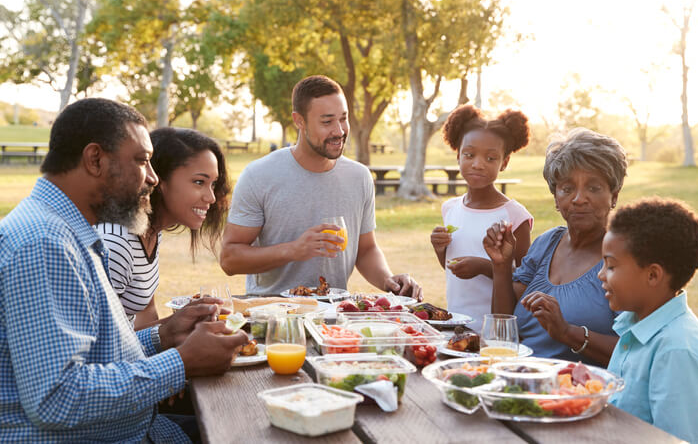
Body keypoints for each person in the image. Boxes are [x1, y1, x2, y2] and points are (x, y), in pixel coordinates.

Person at [0, 98, 248, 442]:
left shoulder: (70, 232)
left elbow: (97, 357)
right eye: (143, 161)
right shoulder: (45, 244)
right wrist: (179, 363)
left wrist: (164, 335)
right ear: (95, 160)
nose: (152, 177)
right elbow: (57, 399)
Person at [220, 75, 422, 299]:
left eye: (343, 119)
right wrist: (294, 250)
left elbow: (365, 250)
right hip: (272, 316)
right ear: (299, 121)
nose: (339, 131)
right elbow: (229, 259)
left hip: (335, 321)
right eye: (327, 122)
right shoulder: (259, 175)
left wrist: (389, 281)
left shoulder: (359, 177)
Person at [484, 127, 627, 365]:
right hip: (517, 381)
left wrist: (567, 333)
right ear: (556, 198)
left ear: (614, 195)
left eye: (593, 188)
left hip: (576, 393)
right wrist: (501, 265)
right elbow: (504, 324)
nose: (579, 199)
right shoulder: (546, 243)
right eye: (567, 189)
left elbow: (636, 353)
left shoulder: (624, 259)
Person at [600, 198, 698, 444]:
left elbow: (678, 440)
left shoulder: (678, 350)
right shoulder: (635, 325)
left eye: (611, 266)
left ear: (653, 275)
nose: (601, 275)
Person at [96, 127, 230, 330]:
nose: (211, 197)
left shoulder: (151, 233)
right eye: (199, 182)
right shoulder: (116, 244)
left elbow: (145, 317)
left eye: (212, 184)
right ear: (160, 180)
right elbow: (103, 346)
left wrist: (188, 318)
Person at [430, 105, 533, 331]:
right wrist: (440, 249)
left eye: (490, 157)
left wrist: (485, 267)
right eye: (469, 154)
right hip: (455, 325)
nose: (478, 164)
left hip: (495, 331)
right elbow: (453, 269)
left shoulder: (514, 215)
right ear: (458, 155)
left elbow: (526, 282)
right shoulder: (450, 208)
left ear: (504, 163)